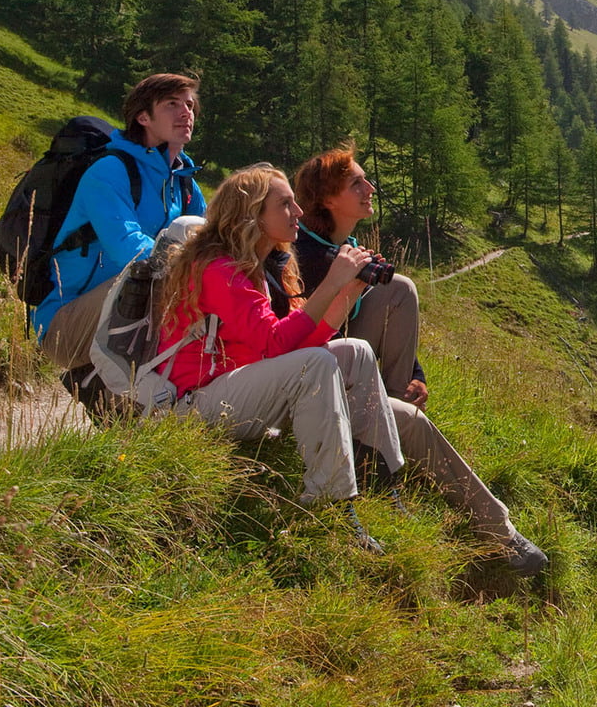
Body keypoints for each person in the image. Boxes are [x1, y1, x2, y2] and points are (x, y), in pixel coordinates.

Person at [152, 164, 546, 575]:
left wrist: (349, 291)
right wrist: (331, 283)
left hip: (251, 389)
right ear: (253, 214)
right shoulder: (221, 270)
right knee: (318, 362)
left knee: (356, 351)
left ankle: (405, 494)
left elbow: (298, 341)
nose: (297, 212)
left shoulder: (263, 266)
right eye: (284, 205)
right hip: (197, 402)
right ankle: (333, 507)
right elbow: (275, 345)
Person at [32, 73, 206, 371]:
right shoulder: (110, 171)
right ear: (143, 117)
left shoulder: (186, 186)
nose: (185, 112)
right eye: (171, 104)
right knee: (154, 280)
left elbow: (208, 245)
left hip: (125, 310)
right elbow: (129, 249)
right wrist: (193, 272)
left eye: (189, 105)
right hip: (65, 324)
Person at [284, 144, 427, 408]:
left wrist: (416, 375)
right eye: (356, 184)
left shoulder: (343, 247)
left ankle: (400, 395)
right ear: (328, 200)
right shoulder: (302, 254)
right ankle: (392, 411)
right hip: (316, 360)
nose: (370, 189)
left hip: (345, 347)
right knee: (399, 287)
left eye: (366, 181)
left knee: (397, 289)